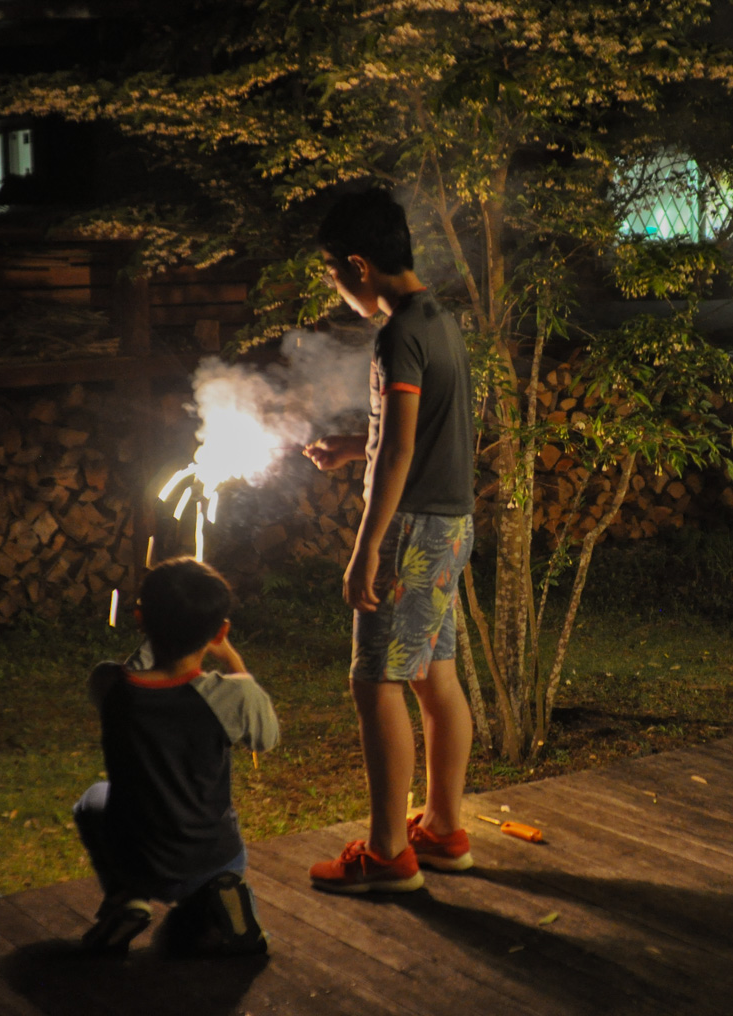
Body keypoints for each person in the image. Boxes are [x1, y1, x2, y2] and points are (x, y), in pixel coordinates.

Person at [303, 187, 476, 893]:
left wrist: (366, 545)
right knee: (435, 675)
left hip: (410, 530)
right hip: (451, 524)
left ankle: (386, 855)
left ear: (359, 264)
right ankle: (441, 831)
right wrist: (356, 445)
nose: (333, 285)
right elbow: (420, 431)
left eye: (331, 272)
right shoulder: (439, 320)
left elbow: (402, 452)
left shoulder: (396, 334)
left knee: (374, 678)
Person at [75, 557, 279, 953]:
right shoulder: (233, 696)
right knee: (218, 860)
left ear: (139, 619)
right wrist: (233, 660)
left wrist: (155, 625)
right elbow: (265, 738)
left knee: (92, 801)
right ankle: (226, 897)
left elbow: (138, 668)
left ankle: (127, 898)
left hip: (138, 862)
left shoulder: (108, 684)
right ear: (220, 630)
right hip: (214, 858)